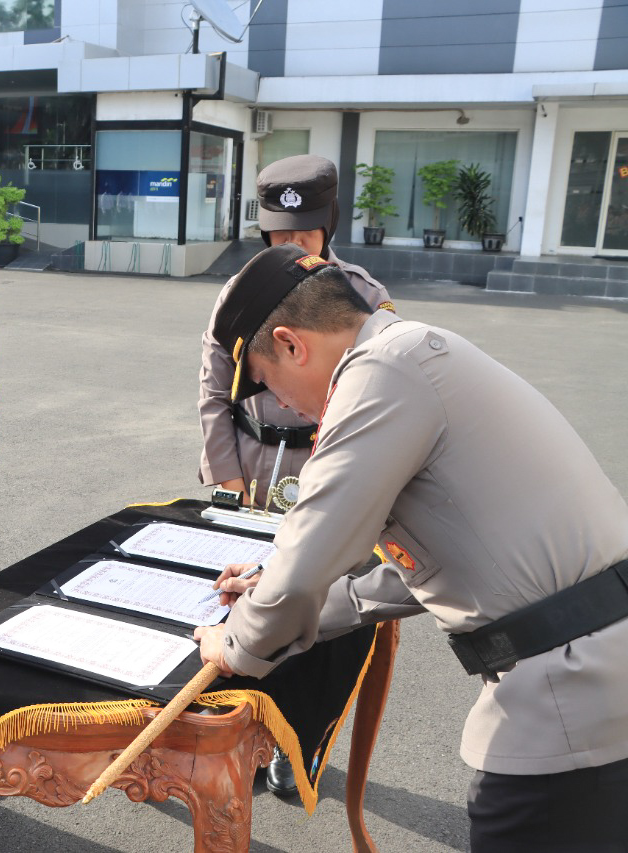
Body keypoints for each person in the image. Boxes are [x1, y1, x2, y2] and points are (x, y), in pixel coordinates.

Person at [194, 243, 628, 853]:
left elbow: (308, 555)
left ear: (293, 343)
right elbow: (426, 563)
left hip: (567, 689)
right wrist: (274, 584)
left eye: (267, 383)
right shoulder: (417, 350)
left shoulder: (379, 372)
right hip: (600, 671)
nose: (282, 406)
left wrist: (234, 645)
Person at [197, 155, 395, 795]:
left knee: (321, 615)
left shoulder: (361, 295)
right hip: (254, 464)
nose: (290, 249)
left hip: (324, 465)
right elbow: (212, 391)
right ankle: (241, 734)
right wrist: (227, 476)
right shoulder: (239, 293)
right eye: (278, 236)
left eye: (303, 237)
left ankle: (300, 739)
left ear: (327, 227)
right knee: (244, 598)